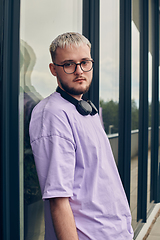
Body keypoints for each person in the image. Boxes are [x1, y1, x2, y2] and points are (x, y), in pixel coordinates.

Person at [29, 32, 134, 240]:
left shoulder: (85, 109)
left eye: (84, 62)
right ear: (53, 69)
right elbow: (58, 199)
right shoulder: (53, 114)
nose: (79, 71)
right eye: (68, 64)